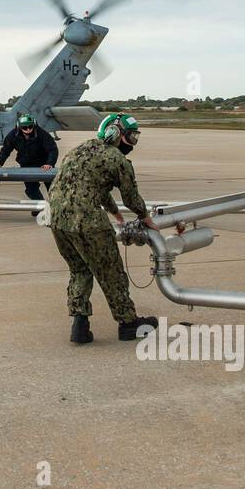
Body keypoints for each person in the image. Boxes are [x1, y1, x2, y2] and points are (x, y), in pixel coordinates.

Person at [47, 113, 159, 344]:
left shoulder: (80, 150)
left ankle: (79, 324)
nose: (132, 143)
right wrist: (145, 216)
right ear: (115, 134)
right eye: (131, 137)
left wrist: (114, 213)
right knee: (111, 273)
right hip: (88, 222)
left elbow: (93, 187)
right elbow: (131, 197)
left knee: (80, 270)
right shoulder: (118, 160)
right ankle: (128, 323)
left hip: (57, 220)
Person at [0, 112, 58, 212]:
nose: (28, 129)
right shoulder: (13, 135)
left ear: (34, 125)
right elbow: (6, 150)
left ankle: (55, 209)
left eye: (30, 127)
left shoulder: (42, 134)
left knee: (52, 188)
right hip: (27, 164)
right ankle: (40, 207)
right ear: (19, 127)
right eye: (25, 127)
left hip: (44, 164)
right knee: (31, 190)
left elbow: (52, 149)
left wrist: (49, 163)